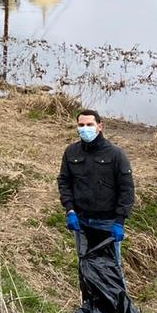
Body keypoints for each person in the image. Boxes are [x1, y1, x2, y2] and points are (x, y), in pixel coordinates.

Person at [57, 109, 135, 265]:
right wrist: (70, 209)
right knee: (86, 265)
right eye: (81, 125)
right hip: (81, 221)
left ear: (100, 126)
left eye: (89, 124)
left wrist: (120, 221)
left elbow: (127, 190)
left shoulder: (115, 154)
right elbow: (64, 181)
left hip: (107, 222)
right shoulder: (71, 152)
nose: (85, 128)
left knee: (111, 268)